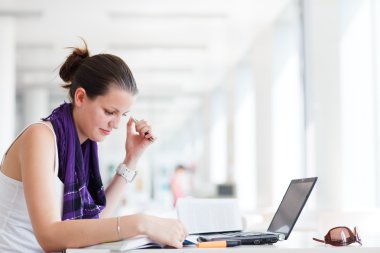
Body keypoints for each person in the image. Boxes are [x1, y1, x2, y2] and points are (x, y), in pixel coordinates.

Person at [0, 40, 188, 252]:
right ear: (80, 97)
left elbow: (94, 218)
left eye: (123, 115)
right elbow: (49, 236)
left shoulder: (83, 147)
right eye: (109, 112)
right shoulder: (40, 138)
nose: (116, 124)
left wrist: (132, 159)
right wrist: (140, 223)